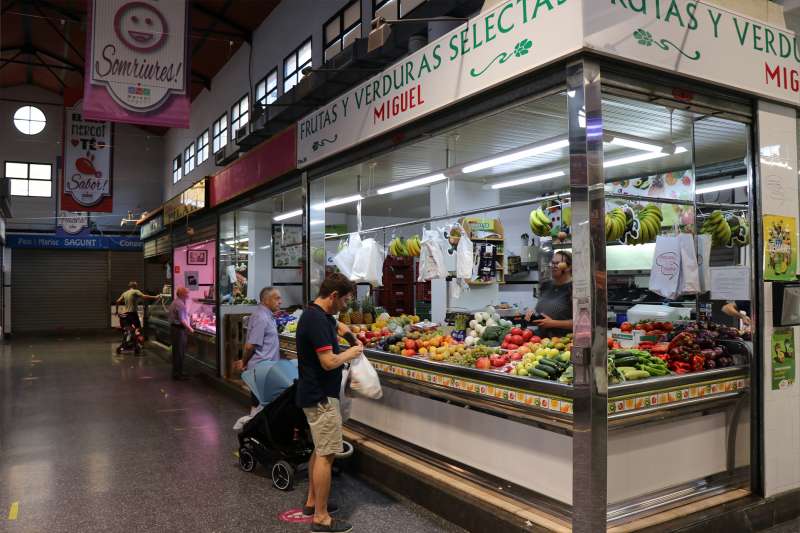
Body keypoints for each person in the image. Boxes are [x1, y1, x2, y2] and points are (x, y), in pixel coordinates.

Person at [296, 273, 363, 533]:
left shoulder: (318, 315)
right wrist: (351, 352)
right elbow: (328, 362)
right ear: (333, 296)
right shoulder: (315, 320)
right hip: (321, 397)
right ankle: (321, 518)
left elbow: (337, 325)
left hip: (316, 394)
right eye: (344, 300)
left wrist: (350, 336)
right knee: (327, 455)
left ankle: (313, 502)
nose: (345, 306)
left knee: (319, 448)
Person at [234, 287, 282, 407]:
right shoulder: (261, 317)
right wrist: (244, 362)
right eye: (277, 298)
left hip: (267, 369)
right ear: (266, 300)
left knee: (265, 404)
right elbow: (250, 346)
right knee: (260, 405)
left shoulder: (267, 315)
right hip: (261, 370)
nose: (280, 302)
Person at [525, 251, 574, 339]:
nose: (553, 266)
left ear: (569, 267)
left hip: (563, 341)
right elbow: (543, 311)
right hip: (541, 340)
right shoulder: (546, 285)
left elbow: (583, 323)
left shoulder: (574, 288)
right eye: (552, 263)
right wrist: (533, 314)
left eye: (558, 263)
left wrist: (553, 323)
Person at [169, 287, 193, 381]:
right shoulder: (180, 304)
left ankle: (177, 372)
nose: (188, 294)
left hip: (175, 329)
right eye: (187, 293)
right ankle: (178, 374)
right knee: (179, 352)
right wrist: (190, 328)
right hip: (179, 330)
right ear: (182, 294)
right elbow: (182, 320)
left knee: (177, 352)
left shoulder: (176, 302)